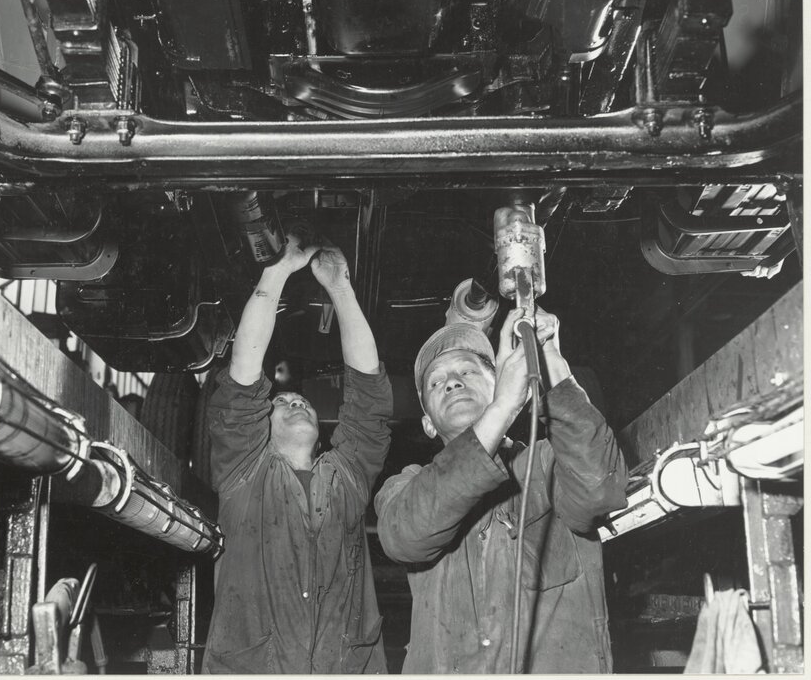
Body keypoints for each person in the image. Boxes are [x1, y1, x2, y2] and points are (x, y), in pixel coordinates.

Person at [375, 307, 628, 673]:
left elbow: (600, 490)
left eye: (467, 371)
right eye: (436, 382)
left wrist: (549, 358)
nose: (452, 382)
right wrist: (503, 406)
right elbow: (405, 536)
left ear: (501, 383)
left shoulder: (548, 461)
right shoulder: (404, 485)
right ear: (428, 424)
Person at [202, 236, 392, 674]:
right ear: (258, 429)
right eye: (282, 402)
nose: (297, 403)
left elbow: (368, 398)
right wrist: (277, 271)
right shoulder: (242, 473)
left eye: (302, 402)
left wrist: (340, 288)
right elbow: (243, 379)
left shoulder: (348, 477)